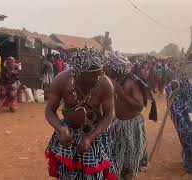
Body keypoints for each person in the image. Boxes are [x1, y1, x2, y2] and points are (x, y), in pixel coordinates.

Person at [44, 48, 118, 180]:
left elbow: (109, 114)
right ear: (76, 73)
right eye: (85, 81)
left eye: (95, 79)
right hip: (68, 134)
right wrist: (60, 129)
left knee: (93, 176)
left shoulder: (105, 84)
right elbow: (49, 110)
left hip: (94, 134)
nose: (91, 84)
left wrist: (91, 137)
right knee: (66, 175)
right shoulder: (61, 80)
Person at [105, 52, 156, 180]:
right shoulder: (116, 80)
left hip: (131, 125)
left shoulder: (132, 82)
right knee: (115, 157)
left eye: (110, 67)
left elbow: (139, 106)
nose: (107, 69)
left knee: (130, 160)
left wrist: (121, 93)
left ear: (116, 68)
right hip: (119, 124)